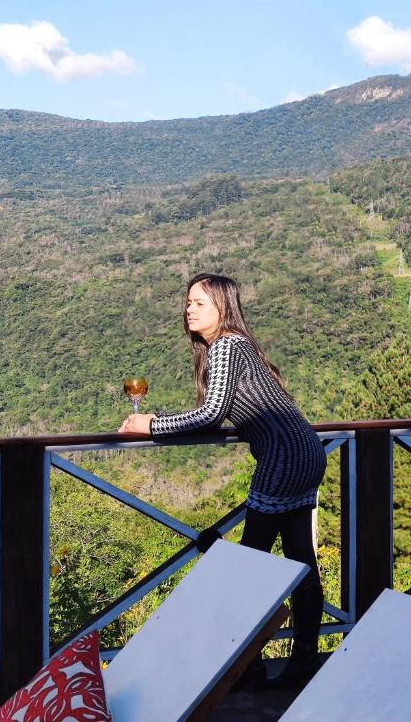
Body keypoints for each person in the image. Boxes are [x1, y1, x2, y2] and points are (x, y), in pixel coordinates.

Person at [118, 273, 326, 687]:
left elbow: (211, 414)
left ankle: (246, 667)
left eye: (200, 302)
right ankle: (302, 660)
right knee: (300, 562)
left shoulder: (228, 345)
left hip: (283, 461)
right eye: (189, 302)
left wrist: (151, 424)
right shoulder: (235, 346)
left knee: (246, 571)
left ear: (223, 308)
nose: (189, 308)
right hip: (306, 452)